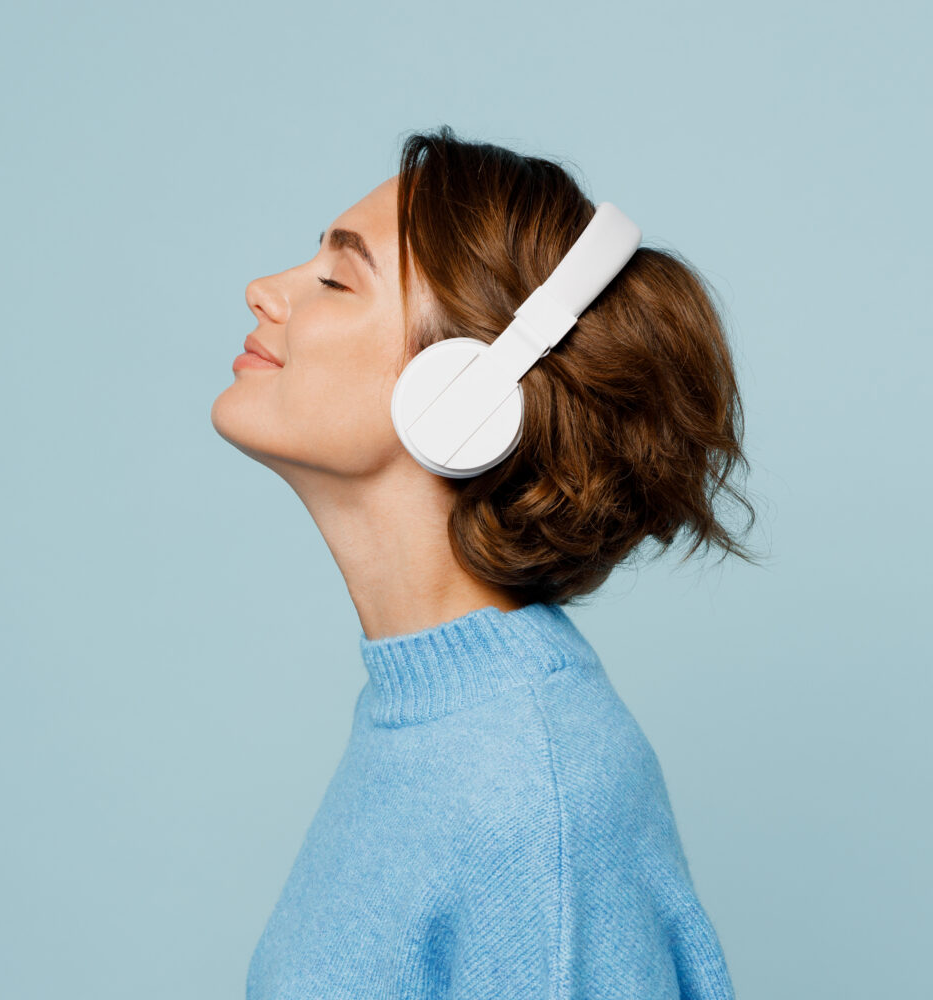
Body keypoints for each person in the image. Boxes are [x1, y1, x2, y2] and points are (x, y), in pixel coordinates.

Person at [210, 125, 759, 999]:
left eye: (334, 279)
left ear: (460, 393)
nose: (265, 291)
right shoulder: (435, 722)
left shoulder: (528, 795)